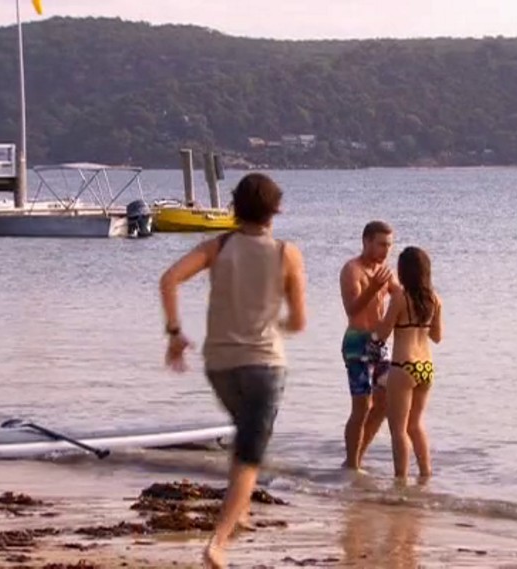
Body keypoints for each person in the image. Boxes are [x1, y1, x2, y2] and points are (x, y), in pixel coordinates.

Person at [158, 172, 306, 569]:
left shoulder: (218, 246)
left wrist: (175, 333)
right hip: (264, 364)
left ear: (235, 208)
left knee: (246, 438)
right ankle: (218, 543)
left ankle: (240, 511)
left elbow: (169, 280)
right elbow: (299, 321)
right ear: (276, 210)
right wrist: (277, 325)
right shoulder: (286, 253)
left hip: (220, 365)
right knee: (249, 455)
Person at [374, 246, 443, 480]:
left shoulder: (400, 298)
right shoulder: (434, 299)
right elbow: (437, 337)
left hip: (403, 366)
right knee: (415, 425)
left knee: (398, 429)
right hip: (426, 367)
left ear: (403, 272)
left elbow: (383, 334)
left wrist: (375, 318)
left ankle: (401, 480)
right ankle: (425, 474)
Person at [339, 220, 401, 471]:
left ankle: (355, 459)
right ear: (366, 242)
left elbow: (400, 295)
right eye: (381, 244)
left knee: (384, 403)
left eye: (389, 245)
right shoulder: (352, 270)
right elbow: (352, 309)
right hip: (357, 342)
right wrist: (373, 287)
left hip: (379, 344)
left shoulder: (385, 271)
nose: (386, 250)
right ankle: (352, 465)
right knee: (362, 406)